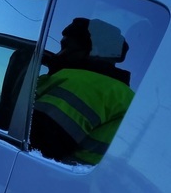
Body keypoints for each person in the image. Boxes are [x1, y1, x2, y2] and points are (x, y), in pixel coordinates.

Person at [30, 17, 134, 165]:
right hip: (85, 184)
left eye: (65, 47)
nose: (59, 54)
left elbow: (34, 146)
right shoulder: (122, 94)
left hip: (50, 180)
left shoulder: (82, 85)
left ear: (94, 51)